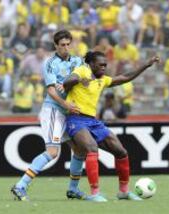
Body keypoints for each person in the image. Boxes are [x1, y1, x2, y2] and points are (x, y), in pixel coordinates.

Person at [63, 51, 160, 202]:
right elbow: (67, 82)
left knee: (121, 151)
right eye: (100, 65)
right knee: (92, 148)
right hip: (75, 119)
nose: (104, 67)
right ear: (91, 64)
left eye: (105, 65)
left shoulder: (102, 80)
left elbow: (124, 77)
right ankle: (95, 193)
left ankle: (123, 192)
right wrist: (78, 79)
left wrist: (145, 65)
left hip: (93, 121)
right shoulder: (82, 70)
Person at [11, 30, 86, 201]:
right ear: (55, 46)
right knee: (52, 152)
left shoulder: (77, 61)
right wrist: (66, 103)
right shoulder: (50, 63)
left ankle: (73, 189)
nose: (66, 48)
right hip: (53, 110)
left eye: (68, 44)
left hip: (69, 112)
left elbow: (84, 80)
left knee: (79, 150)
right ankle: (20, 186)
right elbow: (52, 91)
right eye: (62, 45)